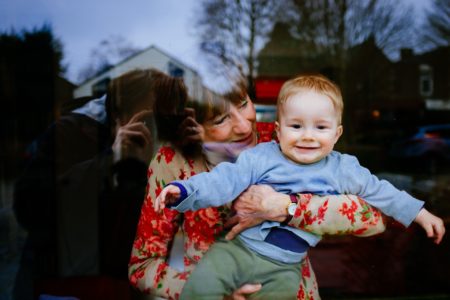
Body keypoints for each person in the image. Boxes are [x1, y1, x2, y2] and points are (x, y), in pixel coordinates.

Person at [155, 74, 446, 300]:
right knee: (203, 284)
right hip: (238, 251)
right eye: (296, 127)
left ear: (337, 134)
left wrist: (420, 213)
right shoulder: (262, 155)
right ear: (278, 130)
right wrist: (184, 191)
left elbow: (380, 197)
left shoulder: (343, 168)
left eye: (320, 128)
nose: (308, 136)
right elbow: (224, 180)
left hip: (285, 266)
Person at [13, 68, 187, 299]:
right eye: (149, 118)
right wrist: (109, 161)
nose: (155, 129)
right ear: (118, 114)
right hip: (63, 285)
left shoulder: (161, 149)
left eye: (166, 120)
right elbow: (29, 207)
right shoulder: (72, 134)